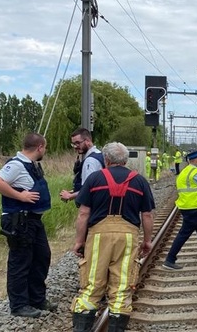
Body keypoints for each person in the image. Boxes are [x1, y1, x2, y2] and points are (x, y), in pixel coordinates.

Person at [70, 142, 155, 332]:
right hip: (128, 237)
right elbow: (147, 216)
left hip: (98, 237)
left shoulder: (94, 179)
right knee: (122, 287)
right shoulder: (140, 181)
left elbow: (83, 214)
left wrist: (79, 241)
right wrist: (147, 241)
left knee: (92, 285)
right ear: (125, 160)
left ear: (106, 160)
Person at [0, 132, 57, 318]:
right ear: (39, 147)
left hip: (33, 221)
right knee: (20, 262)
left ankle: (37, 299)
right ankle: (19, 305)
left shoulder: (31, 165)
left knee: (41, 258)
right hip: (20, 221)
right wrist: (20, 196)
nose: (45, 150)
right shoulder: (16, 165)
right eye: (45, 147)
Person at [60, 128, 104, 205]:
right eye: (73, 144)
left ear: (88, 141)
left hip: (91, 205)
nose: (75, 146)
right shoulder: (99, 154)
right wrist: (73, 191)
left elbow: (89, 188)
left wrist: (70, 196)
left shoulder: (90, 161)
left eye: (78, 143)